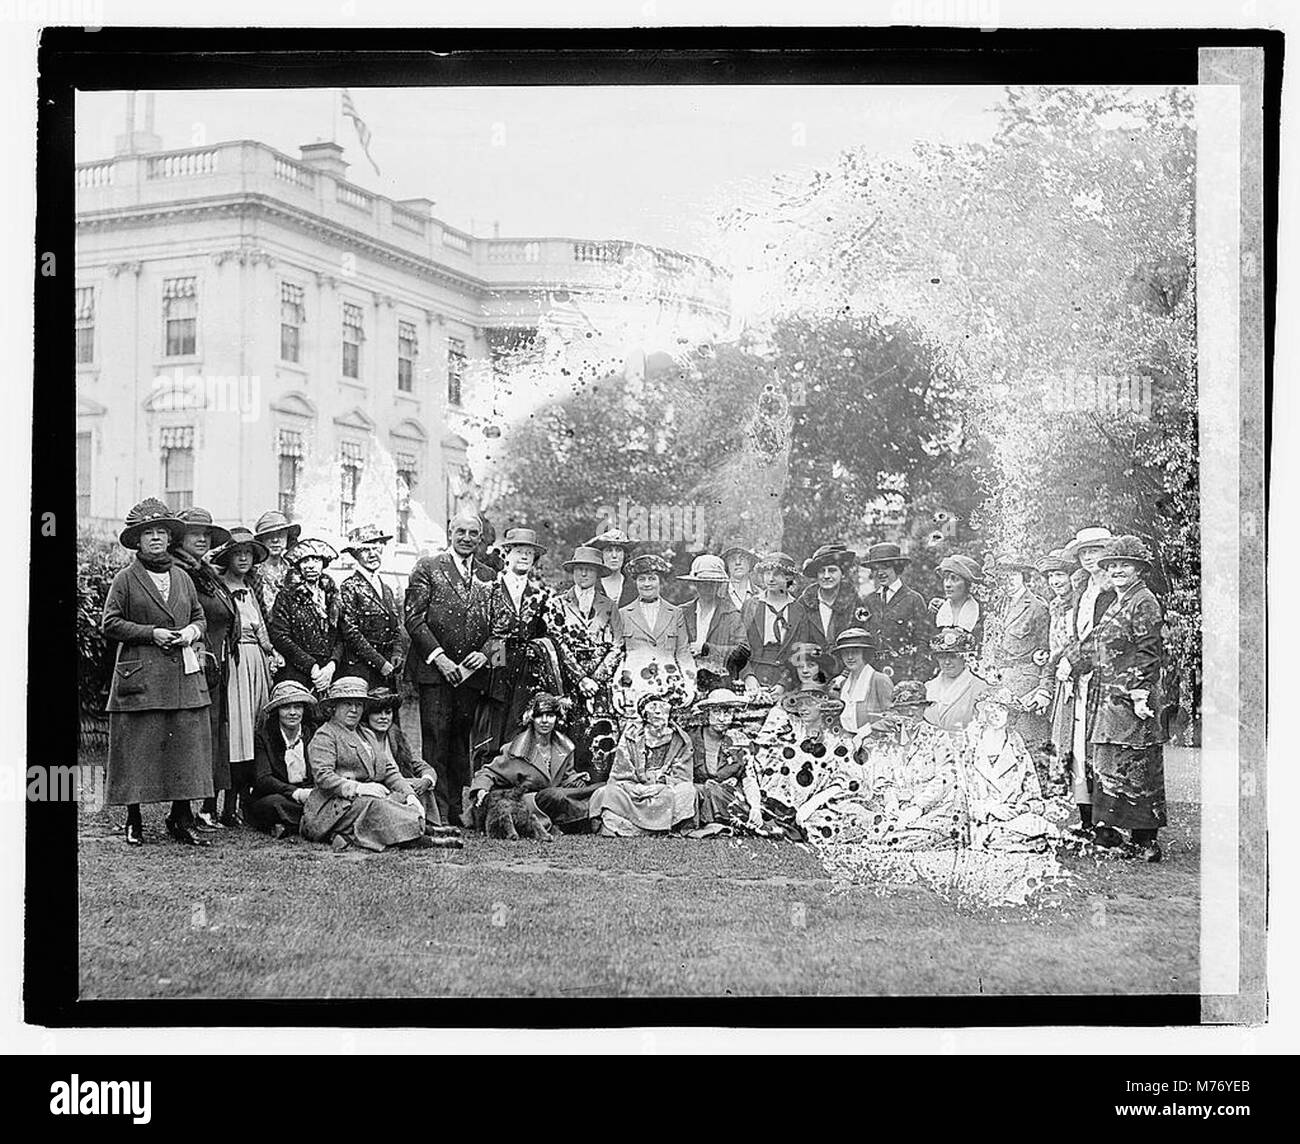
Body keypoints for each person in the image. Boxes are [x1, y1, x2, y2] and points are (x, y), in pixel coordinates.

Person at [101, 499, 214, 847]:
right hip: (142, 675)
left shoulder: (182, 577)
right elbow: (111, 623)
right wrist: (152, 633)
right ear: (136, 540)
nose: (155, 538)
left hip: (182, 675)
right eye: (147, 533)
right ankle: (133, 819)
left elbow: (199, 617)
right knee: (138, 746)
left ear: (170, 538)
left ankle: (181, 817)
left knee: (186, 745)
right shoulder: (125, 579)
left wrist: (192, 633)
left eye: (161, 532)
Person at [1068, 535, 1168, 862]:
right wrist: (1070, 662)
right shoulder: (1117, 600)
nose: (1118, 571)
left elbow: (1149, 652)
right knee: (1110, 763)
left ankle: (1145, 843)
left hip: (1131, 698)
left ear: (1139, 569)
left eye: (1125, 565)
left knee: (1138, 766)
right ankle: (1113, 836)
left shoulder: (1144, 601)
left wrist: (1140, 694)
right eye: (1112, 566)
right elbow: (1097, 642)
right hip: (1109, 697)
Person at [404, 511, 492, 826]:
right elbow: (413, 618)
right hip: (436, 671)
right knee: (436, 739)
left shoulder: (489, 574)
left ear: (480, 538)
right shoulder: (428, 567)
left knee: (460, 741)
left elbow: (502, 626)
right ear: (449, 533)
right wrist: (439, 657)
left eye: (473, 533)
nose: (466, 538)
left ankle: (456, 809)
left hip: (471, 674)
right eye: (461, 532)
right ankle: (435, 810)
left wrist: (486, 654)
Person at [299, 677, 438, 851]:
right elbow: (323, 776)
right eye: (347, 704)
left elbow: (389, 770)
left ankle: (416, 831)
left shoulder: (366, 734)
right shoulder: (326, 735)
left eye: (359, 704)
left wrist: (409, 795)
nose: (354, 710)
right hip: (333, 807)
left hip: (362, 801)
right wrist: (358, 788)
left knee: (398, 799)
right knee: (376, 805)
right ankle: (419, 835)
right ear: (333, 707)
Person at [171, 506, 238, 831]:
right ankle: (183, 811)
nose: (201, 538)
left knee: (214, 734)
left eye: (206, 534)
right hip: (192, 662)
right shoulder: (174, 571)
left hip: (218, 663)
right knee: (192, 736)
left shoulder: (205, 571)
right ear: (179, 537)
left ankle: (206, 807)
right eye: (194, 532)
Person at [1050, 525, 1118, 838]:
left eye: (1096, 551)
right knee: (1078, 744)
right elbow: (1077, 631)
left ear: (1108, 553)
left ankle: (1106, 822)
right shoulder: (1083, 586)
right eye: (1085, 552)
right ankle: (1086, 818)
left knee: (1099, 745)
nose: (1090, 558)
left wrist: (1072, 660)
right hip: (1081, 675)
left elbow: (1101, 637)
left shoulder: (1112, 589)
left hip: (1102, 675)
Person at [211, 526, 276, 826]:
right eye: (237, 553)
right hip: (234, 663)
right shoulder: (218, 587)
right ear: (227, 557)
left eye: (248, 553)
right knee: (234, 733)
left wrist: (271, 654)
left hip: (256, 663)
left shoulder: (251, 589)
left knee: (253, 731)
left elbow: (261, 628)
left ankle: (238, 805)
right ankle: (215, 806)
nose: (243, 559)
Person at [468, 692, 603, 834]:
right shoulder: (516, 749)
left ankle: (583, 817)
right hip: (526, 802)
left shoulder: (565, 747)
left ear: (557, 719)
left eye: (550, 716)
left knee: (597, 787)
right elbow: (488, 772)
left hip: (556, 801)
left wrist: (577, 780)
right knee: (554, 795)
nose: (545, 721)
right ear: (531, 718)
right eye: (539, 716)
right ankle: (588, 819)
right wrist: (481, 790)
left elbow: (566, 777)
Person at [741, 683, 860, 842]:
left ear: (823, 707)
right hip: (772, 802)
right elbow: (757, 767)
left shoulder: (835, 742)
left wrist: (807, 808)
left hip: (808, 807)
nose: (803, 708)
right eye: (800, 703)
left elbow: (842, 780)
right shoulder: (787, 736)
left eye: (809, 703)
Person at [477, 527, 556, 765]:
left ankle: (513, 777)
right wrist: (494, 662)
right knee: (492, 716)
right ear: (506, 555)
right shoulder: (489, 588)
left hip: (526, 663)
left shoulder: (542, 594)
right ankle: (484, 779)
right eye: (519, 551)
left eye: (529, 554)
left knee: (519, 719)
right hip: (495, 657)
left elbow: (545, 633)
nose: (524, 557)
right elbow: (481, 630)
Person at [546, 545, 624, 779]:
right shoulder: (557, 604)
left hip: (600, 685)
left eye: (589, 570)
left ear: (598, 573)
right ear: (572, 572)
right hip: (570, 683)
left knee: (600, 737)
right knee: (567, 734)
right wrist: (581, 679)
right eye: (579, 569)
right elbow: (556, 643)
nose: (584, 574)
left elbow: (618, 645)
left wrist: (596, 680)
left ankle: (597, 791)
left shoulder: (609, 606)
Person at [960, 688, 1057, 853]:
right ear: (983, 711)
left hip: (1015, 818)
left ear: (1010, 715)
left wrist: (1020, 808)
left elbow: (1035, 798)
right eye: (991, 707)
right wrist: (990, 809)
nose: (995, 713)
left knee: (1043, 827)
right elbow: (960, 793)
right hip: (980, 820)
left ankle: (1019, 839)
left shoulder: (1018, 751)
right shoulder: (969, 747)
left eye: (1002, 709)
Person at [361, 688, 462, 844]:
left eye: (387, 713)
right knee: (406, 788)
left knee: (419, 784)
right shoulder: (362, 738)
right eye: (377, 713)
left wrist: (427, 779)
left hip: (401, 787)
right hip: (377, 790)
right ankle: (421, 831)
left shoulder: (396, 737)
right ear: (367, 716)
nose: (383, 718)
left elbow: (423, 766)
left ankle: (427, 824)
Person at [589, 693, 697, 836]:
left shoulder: (681, 739)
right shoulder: (631, 736)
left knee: (687, 791)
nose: (658, 711)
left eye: (663, 707)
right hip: (634, 790)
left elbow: (683, 776)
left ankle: (636, 828)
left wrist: (660, 786)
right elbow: (621, 772)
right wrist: (636, 787)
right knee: (604, 793)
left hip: (665, 791)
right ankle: (645, 828)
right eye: (653, 707)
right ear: (645, 715)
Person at [612, 553, 698, 716]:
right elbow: (618, 656)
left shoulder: (675, 613)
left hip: (670, 689)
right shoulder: (622, 614)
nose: (647, 584)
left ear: (661, 582)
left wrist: (690, 686)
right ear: (635, 582)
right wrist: (617, 690)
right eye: (641, 579)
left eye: (652, 578)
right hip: (634, 690)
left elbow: (683, 653)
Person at [985, 556, 1052, 755]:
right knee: (1001, 743)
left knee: (1028, 742)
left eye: (1013, 575)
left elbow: (1047, 652)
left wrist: (1042, 689)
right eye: (1003, 576)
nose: (1008, 581)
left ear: (1023, 576)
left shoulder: (1037, 608)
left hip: (1026, 681)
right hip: (1001, 680)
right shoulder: (998, 605)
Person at [268, 537, 344, 697]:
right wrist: (312, 667)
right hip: (297, 672)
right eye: (305, 560)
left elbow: (341, 636)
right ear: (298, 565)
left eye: (316, 560)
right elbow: (280, 636)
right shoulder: (287, 596)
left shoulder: (332, 596)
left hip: (329, 673)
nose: (310, 565)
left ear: (323, 563)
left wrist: (331, 666)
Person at [1033, 547, 1082, 792]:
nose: (1055, 581)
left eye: (1060, 575)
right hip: (1060, 678)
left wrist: (1066, 658)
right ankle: (1061, 790)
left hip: (1080, 675)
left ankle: (1079, 793)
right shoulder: (1054, 606)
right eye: (1051, 576)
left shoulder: (1081, 603)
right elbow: (1053, 646)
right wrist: (1046, 655)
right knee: (1060, 736)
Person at [338, 523, 408, 688]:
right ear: (355, 555)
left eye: (376, 548)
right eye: (365, 550)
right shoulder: (349, 587)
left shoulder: (387, 589)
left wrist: (397, 652)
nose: (372, 554)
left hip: (388, 668)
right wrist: (380, 663)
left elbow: (396, 626)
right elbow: (351, 633)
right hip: (361, 669)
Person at [247, 680, 317, 838]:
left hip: (310, 793)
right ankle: (311, 821)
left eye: (297, 707)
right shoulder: (264, 736)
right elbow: (263, 779)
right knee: (273, 805)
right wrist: (296, 793)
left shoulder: (312, 733)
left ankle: (291, 825)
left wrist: (312, 793)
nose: (293, 713)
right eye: (286, 707)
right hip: (280, 794)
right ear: (277, 710)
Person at [855, 542, 932, 681]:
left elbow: (922, 641)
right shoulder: (868, 601)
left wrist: (919, 678)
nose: (880, 573)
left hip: (904, 673)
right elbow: (860, 638)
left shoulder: (913, 599)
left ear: (897, 568)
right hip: (872, 673)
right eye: (876, 568)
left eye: (885, 567)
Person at [738, 552, 809, 694]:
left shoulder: (798, 610)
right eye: (767, 573)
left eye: (777, 574)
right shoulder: (751, 605)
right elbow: (738, 646)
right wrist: (747, 676)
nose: (771, 579)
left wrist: (784, 684)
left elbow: (800, 652)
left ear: (789, 577)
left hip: (784, 677)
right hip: (754, 674)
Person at [678, 553, 750, 689]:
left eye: (712, 583)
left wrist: (706, 649)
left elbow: (743, 651)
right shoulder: (682, 612)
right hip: (685, 680)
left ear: (718, 585)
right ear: (695, 584)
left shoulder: (730, 613)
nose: (707, 588)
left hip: (720, 682)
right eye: (702, 583)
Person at [689, 688, 754, 830]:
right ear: (707, 713)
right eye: (716, 712)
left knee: (747, 812)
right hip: (698, 793)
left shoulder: (739, 740)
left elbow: (749, 777)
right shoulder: (691, 738)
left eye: (728, 713)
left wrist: (755, 806)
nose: (722, 718)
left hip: (726, 794)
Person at [796, 544, 860, 666]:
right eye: (821, 571)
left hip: (848, 670)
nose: (826, 576)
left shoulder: (855, 602)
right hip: (812, 671)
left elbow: (861, 644)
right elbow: (797, 643)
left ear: (843, 573)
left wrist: (845, 674)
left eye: (832, 570)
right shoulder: (803, 604)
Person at [828, 627, 894, 735]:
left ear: (865, 653)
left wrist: (865, 733)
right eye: (845, 652)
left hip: (874, 744)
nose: (849, 657)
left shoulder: (879, 680)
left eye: (855, 652)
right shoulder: (842, 684)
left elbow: (893, 719)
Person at [925, 627, 991, 733]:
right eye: (941, 656)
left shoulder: (981, 690)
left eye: (953, 656)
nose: (947, 662)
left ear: (965, 657)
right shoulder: (928, 688)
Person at [248, 509, 301, 621]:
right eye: (269, 535)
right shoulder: (252, 573)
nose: (275, 540)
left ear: (287, 537)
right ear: (261, 540)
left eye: (280, 534)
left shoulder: (295, 570)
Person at [928, 553, 985, 650]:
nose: (947, 584)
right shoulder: (936, 612)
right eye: (946, 578)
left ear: (968, 584)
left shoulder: (980, 614)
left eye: (954, 579)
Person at [586, 527, 639, 608]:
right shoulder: (590, 586)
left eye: (618, 550)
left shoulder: (635, 586)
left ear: (624, 555)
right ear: (601, 555)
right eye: (609, 550)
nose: (614, 555)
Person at [721, 544, 759, 611]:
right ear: (727, 564)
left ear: (750, 562)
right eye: (732, 559)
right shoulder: (719, 594)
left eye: (742, 558)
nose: (738, 563)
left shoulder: (760, 595)